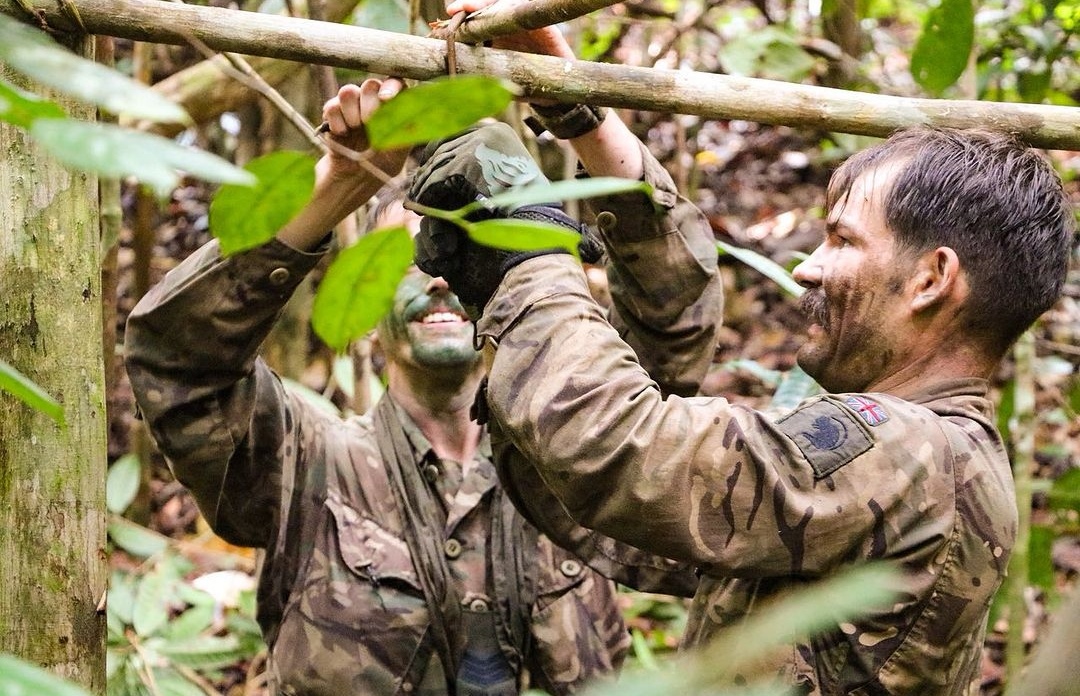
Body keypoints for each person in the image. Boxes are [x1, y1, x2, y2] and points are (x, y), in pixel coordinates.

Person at [407, 3, 1078, 693]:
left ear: (932, 280)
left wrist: (527, 239)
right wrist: (579, 112)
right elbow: (616, 516)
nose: (806, 268)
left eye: (842, 240)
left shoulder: (914, 453)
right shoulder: (936, 465)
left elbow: (620, 449)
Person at [124, 79, 638, 696]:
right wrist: (345, 178)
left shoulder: (575, 467)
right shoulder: (305, 465)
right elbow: (179, 358)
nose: (440, 280)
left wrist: (573, 103)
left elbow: (672, 322)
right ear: (364, 298)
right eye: (410, 258)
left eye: (460, 256)